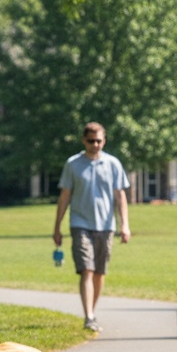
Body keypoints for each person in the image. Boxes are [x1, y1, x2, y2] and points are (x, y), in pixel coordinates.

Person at [52, 122, 131, 333]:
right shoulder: (73, 164)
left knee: (99, 272)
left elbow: (120, 195)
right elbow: (64, 196)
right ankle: (88, 316)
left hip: (106, 226)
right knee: (86, 269)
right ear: (83, 140)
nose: (95, 144)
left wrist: (125, 225)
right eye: (91, 141)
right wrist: (57, 227)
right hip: (80, 224)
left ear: (104, 141)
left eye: (99, 141)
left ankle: (92, 312)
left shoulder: (113, 164)